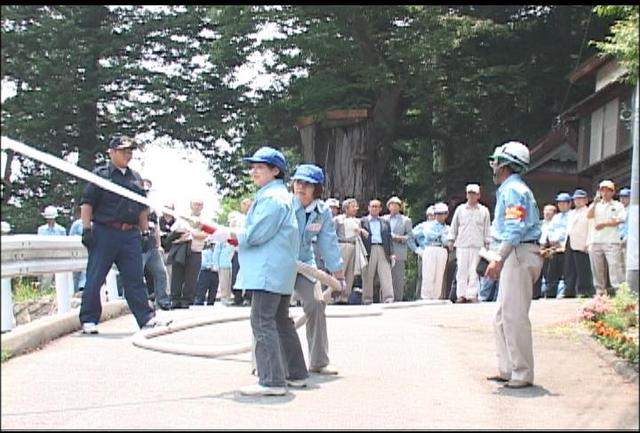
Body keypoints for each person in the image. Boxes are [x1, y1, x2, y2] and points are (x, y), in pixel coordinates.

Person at [207, 146, 307, 396]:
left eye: (260, 167)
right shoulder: (277, 196)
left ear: (276, 170)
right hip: (277, 270)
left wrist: (227, 234)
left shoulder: (273, 199)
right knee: (280, 321)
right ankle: (295, 373)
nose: (254, 171)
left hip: (268, 270)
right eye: (252, 167)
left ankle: (272, 381)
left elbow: (255, 235)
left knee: (262, 321)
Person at [78, 135, 166, 334]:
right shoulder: (101, 175)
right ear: (112, 152)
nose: (128, 154)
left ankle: (146, 317)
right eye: (124, 150)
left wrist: (145, 232)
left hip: (130, 234)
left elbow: (142, 207)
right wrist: (86, 229)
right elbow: (87, 203)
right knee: (96, 276)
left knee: (135, 278)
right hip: (105, 231)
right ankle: (89, 319)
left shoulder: (135, 177)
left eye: (130, 151)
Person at [484, 140, 542, 389]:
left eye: (496, 162)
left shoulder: (514, 191)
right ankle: (508, 367)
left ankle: (522, 372)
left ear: (505, 165)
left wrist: (499, 256)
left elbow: (515, 227)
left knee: (514, 314)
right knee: (502, 315)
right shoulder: (511, 189)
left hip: (518, 253)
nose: (493, 166)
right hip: (516, 252)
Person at [290, 164, 344, 374]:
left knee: (316, 304)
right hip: (279, 263)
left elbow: (328, 242)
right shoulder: (285, 206)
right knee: (269, 310)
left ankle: (319, 361)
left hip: (306, 264)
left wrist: (337, 274)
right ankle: (263, 365)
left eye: (307, 184)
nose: (300, 187)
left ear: (317, 189)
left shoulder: (322, 213)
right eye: (298, 182)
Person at [447, 184, 491, 303]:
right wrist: (451, 240)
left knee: (474, 271)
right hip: (462, 244)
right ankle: (460, 295)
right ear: (466, 195)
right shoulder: (460, 209)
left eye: (474, 194)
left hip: (477, 245)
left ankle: (471, 295)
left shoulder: (484, 211)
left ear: (478, 195)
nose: (472, 196)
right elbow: (454, 226)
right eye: (470, 193)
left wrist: (487, 243)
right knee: (461, 270)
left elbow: (487, 229)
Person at [586, 180, 626, 296]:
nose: (605, 192)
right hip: (595, 240)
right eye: (602, 190)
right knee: (597, 268)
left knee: (615, 267)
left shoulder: (618, 205)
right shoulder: (596, 205)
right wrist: (594, 202)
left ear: (613, 192)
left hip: (612, 240)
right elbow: (588, 215)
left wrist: (604, 224)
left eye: (608, 190)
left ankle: (620, 292)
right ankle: (599, 291)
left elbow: (620, 219)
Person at [167, 198, 208, 308]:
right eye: (195, 204)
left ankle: (187, 300)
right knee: (177, 275)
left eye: (200, 204)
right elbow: (174, 232)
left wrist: (191, 234)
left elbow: (205, 235)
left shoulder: (205, 220)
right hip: (181, 248)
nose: (197, 206)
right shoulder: (183, 217)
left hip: (195, 250)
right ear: (191, 205)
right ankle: (175, 299)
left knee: (191, 277)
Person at [409, 202, 450, 300]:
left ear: (446, 214)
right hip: (429, 249)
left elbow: (448, 240)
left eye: (442, 213)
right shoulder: (426, 225)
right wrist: (417, 249)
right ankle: (426, 297)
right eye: (438, 214)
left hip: (442, 249)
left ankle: (436, 297)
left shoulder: (448, 227)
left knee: (439, 275)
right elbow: (411, 236)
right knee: (428, 274)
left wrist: (442, 237)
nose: (439, 216)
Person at [360, 199, 395, 304]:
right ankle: (367, 299)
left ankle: (388, 298)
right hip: (369, 249)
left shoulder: (384, 222)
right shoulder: (363, 221)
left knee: (386, 274)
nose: (374, 209)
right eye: (372, 206)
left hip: (382, 248)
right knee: (367, 274)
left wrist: (392, 253)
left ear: (380, 209)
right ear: (369, 208)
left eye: (377, 207)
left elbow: (389, 238)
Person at [562, 189, 594, 298]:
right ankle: (569, 290)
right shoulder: (571, 213)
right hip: (570, 241)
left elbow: (591, 228)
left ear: (585, 200)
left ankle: (585, 290)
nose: (578, 201)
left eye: (580, 199)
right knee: (569, 267)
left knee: (583, 268)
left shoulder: (588, 211)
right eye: (576, 199)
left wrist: (588, 242)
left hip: (582, 241)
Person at [382, 196, 413, 302]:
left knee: (398, 278)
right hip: (385, 252)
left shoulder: (406, 220)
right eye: (392, 205)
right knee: (385, 277)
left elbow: (410, 237)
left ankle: (398, 300)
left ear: (400, 207)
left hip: (399, 251)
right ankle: (385, 300)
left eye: (396, 205)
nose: (394, 207)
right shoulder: (383, 219)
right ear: (388, 207)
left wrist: (397, 237)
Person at [334, 198, 364, 303]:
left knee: (350, 273)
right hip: (342, 244)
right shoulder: (338, 219)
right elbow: (333, 233)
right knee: (340, 271)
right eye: (353, 206)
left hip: (354, 245)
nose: (356, 208)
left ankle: (345, 296)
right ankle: (336, 295)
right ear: (346, 208)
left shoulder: (357, 221)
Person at [544, 192, 572, 298]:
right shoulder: (556, 217)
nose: (561, 205)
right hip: (555, 248)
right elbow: (550, 231)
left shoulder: (572, 215)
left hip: (566, 248)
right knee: (552, 273)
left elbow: (569, 231)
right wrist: (553, 242)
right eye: (560, 203)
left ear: (569, 204)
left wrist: (563, 243)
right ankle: (550, 294)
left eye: (564, 203)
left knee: (567, 272)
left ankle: (566, 293)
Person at [534, 204, 557, 299]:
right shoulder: (538, 224)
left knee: (550, 274)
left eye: (550, 211)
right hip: (538, 248)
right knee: (536, 273)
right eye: (545, 211)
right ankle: (535, 294)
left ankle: (550, 295)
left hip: (551, 249)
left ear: (555, 213)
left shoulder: (556, 224)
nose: (547, 213)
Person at [68, 206, 87, 293]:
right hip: (77, 253)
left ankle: (83, 287)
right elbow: (70, 238)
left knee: (86, 271)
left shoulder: (95, 223)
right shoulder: (77, 224)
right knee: (75, 274)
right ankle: (74, 291)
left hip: (88, 253)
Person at [193, 239, 219, 306]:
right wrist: (211, 266)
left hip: (215, 272)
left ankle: (211, 302)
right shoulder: (205, 252)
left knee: (214, 289)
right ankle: (199, 301)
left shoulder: (217, 253)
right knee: (202, 287)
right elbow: (203, 263)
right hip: (205, 272)